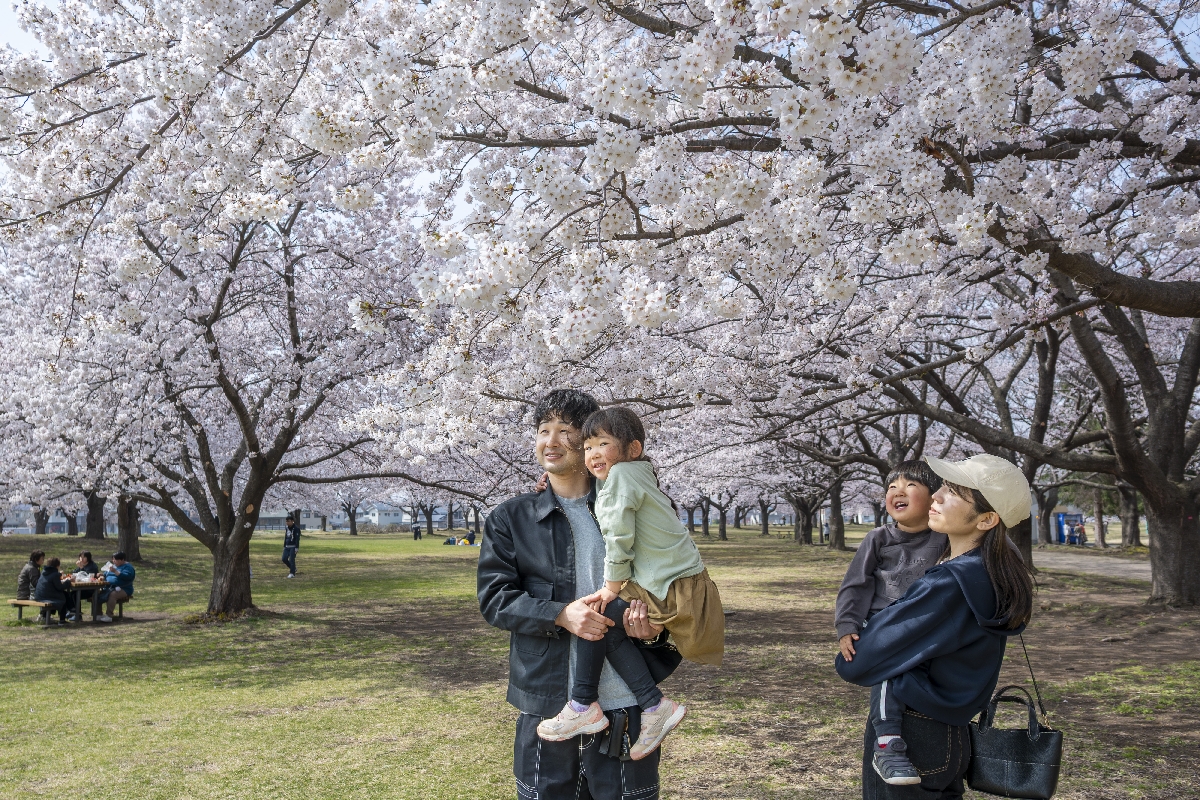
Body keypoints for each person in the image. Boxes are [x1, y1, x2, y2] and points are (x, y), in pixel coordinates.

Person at [478, 389, 680, 800]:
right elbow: (495, 598)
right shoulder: (511, 518)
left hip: (626, 704)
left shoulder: (639, 507)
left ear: (590, 440)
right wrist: (560, 614)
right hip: (549, 707)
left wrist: (654, 631)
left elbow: (674, 587)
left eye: (564, 430)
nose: (550, 441)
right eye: (543, 430)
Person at [836, 454, 1035, 799]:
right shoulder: (989, 574)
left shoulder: (948, 584)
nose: (937, 496)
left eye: (953, 492)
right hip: (952, 735)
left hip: (910, 737)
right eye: (941, 487)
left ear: (987, 519)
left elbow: (855, 663)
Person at [537, 406, 724, 760]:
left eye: (602, 444)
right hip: (677, 581)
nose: (592, 454)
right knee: (607, 624)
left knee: (596, 611)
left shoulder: (622, 477)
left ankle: (583, 705)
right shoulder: (634, 474)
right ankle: (652, 706)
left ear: (633, 448)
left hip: (669, 585)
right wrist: (552, 482)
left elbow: (619, 538)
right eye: (587, 447)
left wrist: (610, 588)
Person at [835, 460, 948, 785]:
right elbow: (855, 585)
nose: (898, 491)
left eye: (910, 485)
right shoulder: (879, 538)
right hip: (883, 626)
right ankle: (887, 743)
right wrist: (847, 626)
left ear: (934, 498)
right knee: (891, 673)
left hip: (926, 628)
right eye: (892, 487)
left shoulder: (945, 538)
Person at [96, 551, 135, 623]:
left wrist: (115, 571)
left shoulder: (128, 567)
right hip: (109, 587)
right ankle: (98, 614)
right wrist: (101, 575)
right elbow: (105, 574)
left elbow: (127, 577)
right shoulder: (113, 566)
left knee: (112, 595)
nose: (114, 561)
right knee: (96, 594)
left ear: (122, 560)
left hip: (124, 589)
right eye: (113, 559)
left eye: (116, 560)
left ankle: (109, 616)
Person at [33, 557, 74, 623]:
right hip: (47, 597)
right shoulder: (55, 574)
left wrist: (59, 575)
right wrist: (68, 581)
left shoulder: (44, 572)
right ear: (57, 566)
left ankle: (71, 609)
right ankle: (63, 619)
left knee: (64, 594)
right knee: (63, 598)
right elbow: (60, 587)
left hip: (39, 596)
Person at [74, 551, 100, 616]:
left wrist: (82, 568)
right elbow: (75, 573)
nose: (82, 559)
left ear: (88, 558)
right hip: (81, 588)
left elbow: (87, 576)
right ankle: (74, 613)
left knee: (75, 595)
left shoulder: (92, 566)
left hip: (90, 589)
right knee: (71, 594)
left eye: (84, 557)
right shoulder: (80, 565)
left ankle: (77, 615)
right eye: (81, 557)